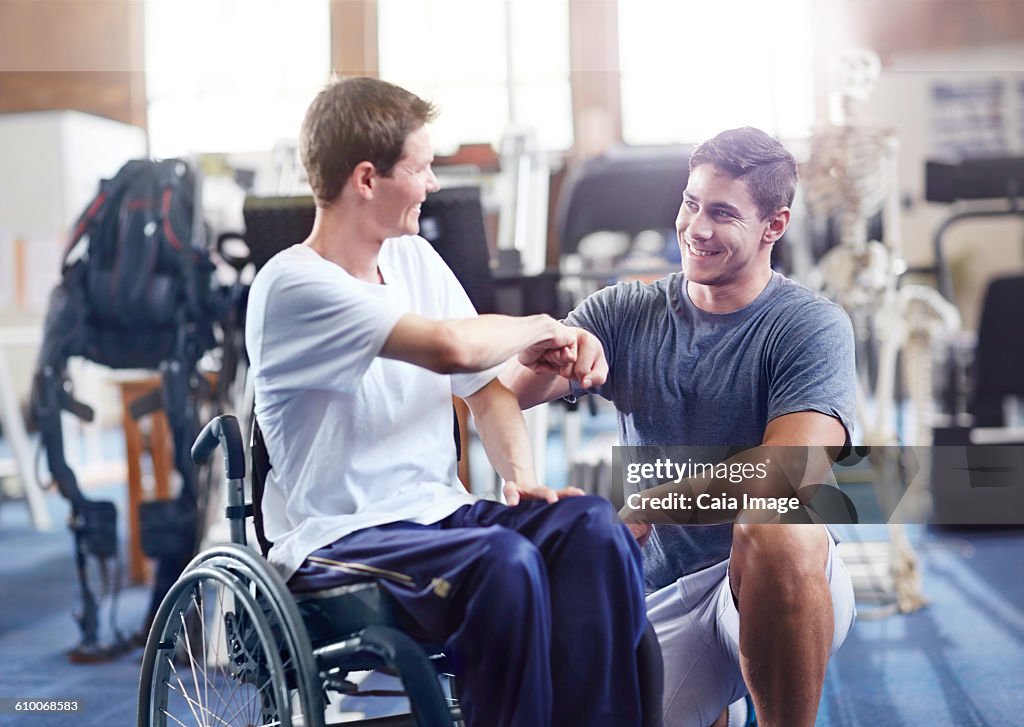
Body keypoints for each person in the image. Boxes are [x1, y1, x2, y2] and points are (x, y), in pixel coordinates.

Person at [244, 76, 647, 727]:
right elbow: (453, 349)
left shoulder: (414, 260)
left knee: (592, 530)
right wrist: (540, 327)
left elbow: (485, 391)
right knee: (505, 564)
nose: (432, 185)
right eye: (422, 168)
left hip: (439, 518)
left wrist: (525, 483)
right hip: (342, 537)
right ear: (367, 179)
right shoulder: (292, 286)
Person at [503, 127, 858, 727]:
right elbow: (496, 396)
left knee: (777, 526)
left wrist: (648, 506)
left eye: (722, 214)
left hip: (776, 579)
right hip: (663, 588)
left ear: (774, 225)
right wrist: (536, 349)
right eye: (691, 203)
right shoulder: (619, 313)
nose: (696, 227)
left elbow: (787, 474)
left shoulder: (810, 326)